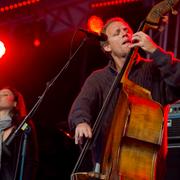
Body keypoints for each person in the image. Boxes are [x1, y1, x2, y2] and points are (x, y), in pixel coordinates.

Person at [68, 17, 180, 179]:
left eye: (126, 30)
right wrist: (81, 121)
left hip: (148, 169)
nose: (124, 34)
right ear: (107, 47)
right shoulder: (98, 79)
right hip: (107, 169)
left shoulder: (153, 70)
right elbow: (81, 105)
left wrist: (155, 51)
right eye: (117, 33)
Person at [0, 86, 39, 180]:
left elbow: (31, 160)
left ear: (15, 103)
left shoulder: (23, 124)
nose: (0, 96)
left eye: (5, 94)